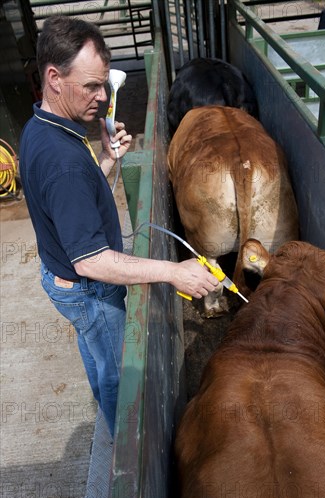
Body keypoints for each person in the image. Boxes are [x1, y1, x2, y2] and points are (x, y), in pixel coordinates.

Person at [19, 15, 218, 437]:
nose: (102, 95)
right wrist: (174, 272)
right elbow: (92, 261)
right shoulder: (64, 162)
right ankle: (126, 444)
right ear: (54, 77)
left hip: (61, 276)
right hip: (87, 287)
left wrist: (107, 160)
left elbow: (74, 207)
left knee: (96, 354)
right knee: (118, 376)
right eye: (91, 85)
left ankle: (110, 418)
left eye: (103, 82)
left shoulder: (42, 125)